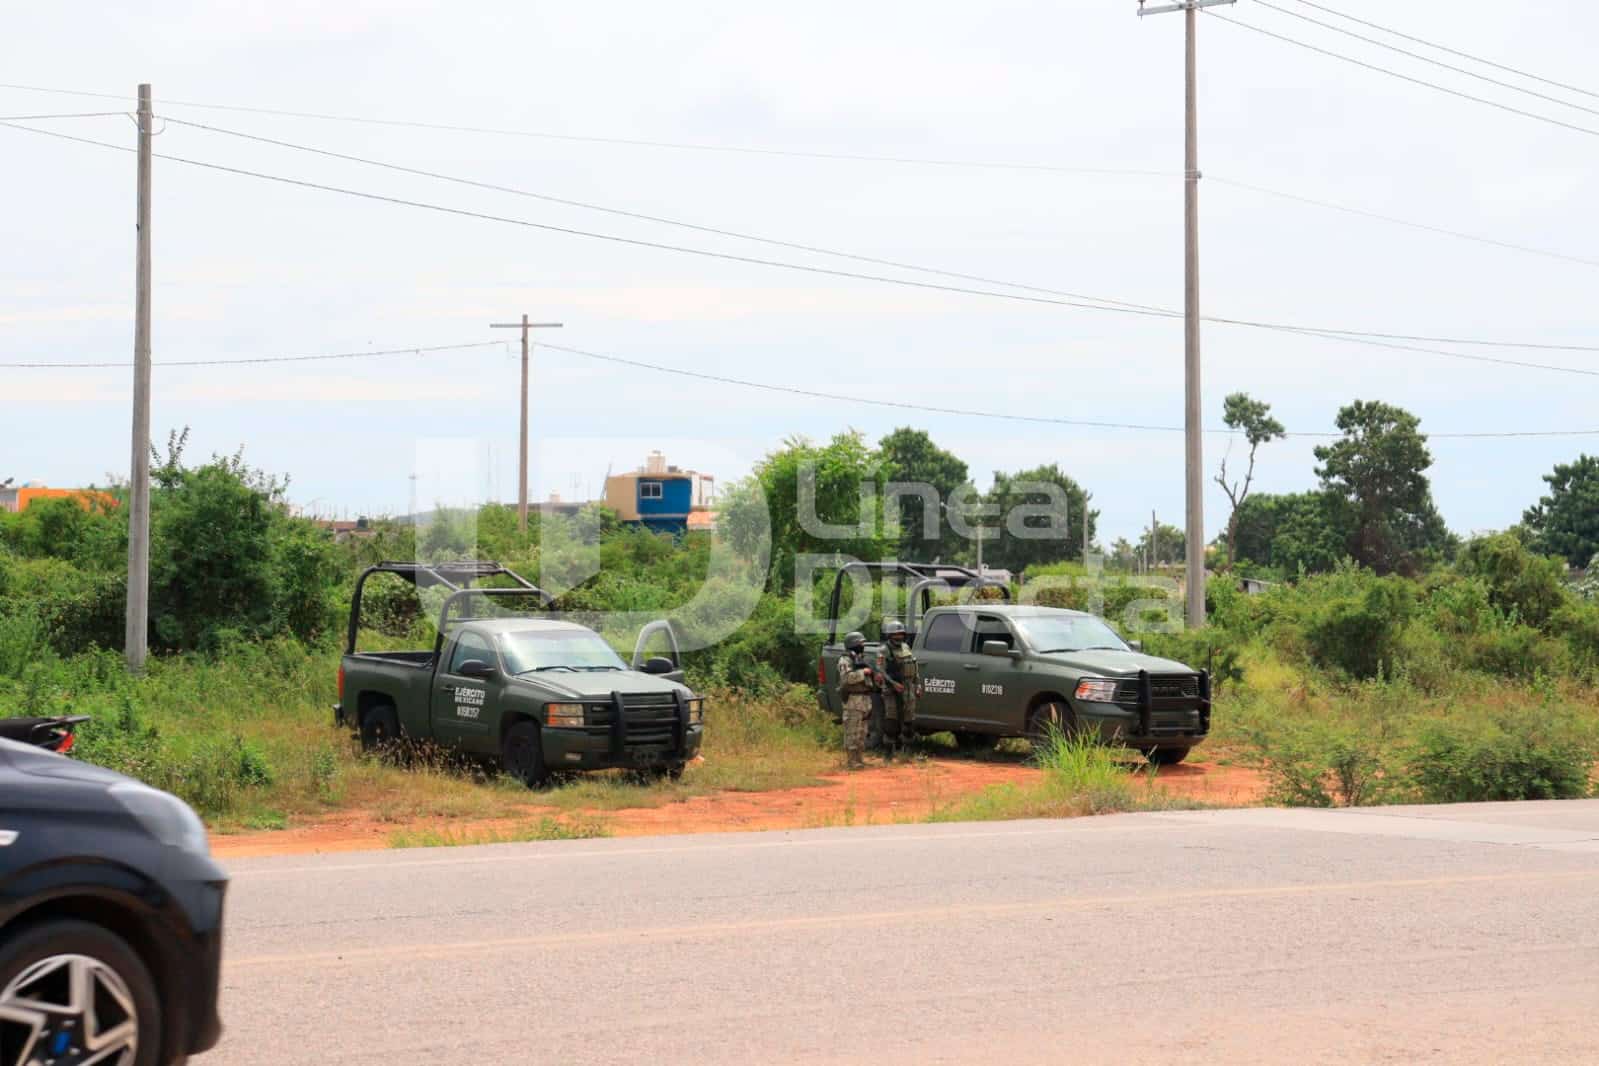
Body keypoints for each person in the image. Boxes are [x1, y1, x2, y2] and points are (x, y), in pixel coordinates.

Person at [877, 618, 919, 755]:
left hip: (908, 689)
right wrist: (893, 684)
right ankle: (888, 753)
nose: (898, 637)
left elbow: (914, 668)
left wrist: (918, 685)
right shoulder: (884, 650)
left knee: (909, 722)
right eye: (895, 634)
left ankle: (907, 753)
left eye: (901, 634)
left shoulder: (906, 647)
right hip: (892, 690)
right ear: (889, 636)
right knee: (891, 723)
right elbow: (880, 671)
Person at [837, 631, 875, 770]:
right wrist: (862, 673)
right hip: (853, 699)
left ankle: (859, 759)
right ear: (853, 644)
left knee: (862, 732)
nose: (863, 645)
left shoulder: (860, 658)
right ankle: (852, 761)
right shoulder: (845, 660)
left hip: (864, 699)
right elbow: (846, 679)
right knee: (852, 731)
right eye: (861, 643)